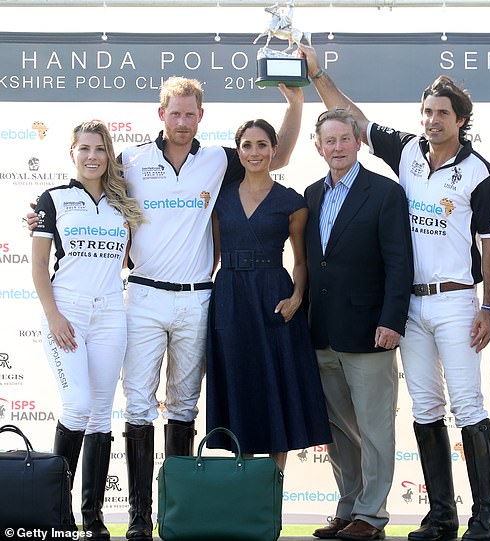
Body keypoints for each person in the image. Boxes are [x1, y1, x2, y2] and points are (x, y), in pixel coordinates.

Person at [27, 76, 303, 541]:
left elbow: (281, 153)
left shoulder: (217, 158)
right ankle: (139, 518)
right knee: (137, 406)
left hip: (197, 297)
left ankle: (175, 513)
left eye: (189, 113)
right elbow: (84, 183)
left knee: (182, 406)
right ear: (161, 115)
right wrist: (39, 214)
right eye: (173, 113)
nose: (181, 121)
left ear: (201, 116)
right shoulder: (131, 159)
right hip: (142, 298)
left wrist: (295, 103)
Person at [300, 45, 490, 541]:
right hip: (411, 304)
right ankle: (440, 517)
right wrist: (317, 73)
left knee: (469, 407)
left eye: (442, 114)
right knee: (427, 408)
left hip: (457, 300)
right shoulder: (408, 151)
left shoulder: (482, 173)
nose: (433, 121)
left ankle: (484, 516)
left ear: (461, 120)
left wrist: (489, 305)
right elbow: (355, 119)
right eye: (428, 112)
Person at [31, 120, 145, 540]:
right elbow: (39, 267)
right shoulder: (53, 200)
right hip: (67, 314)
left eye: (99, 148)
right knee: (77, 405)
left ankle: (93, 521)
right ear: (72, 153)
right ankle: (56, 516)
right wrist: (54, 315)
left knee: (100, 416)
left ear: (108, 154)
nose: (92, 156)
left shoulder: (123, 204)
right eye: (84, 148)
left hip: (112, 313)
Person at [306, 108, 413, 541]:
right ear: (318, 147)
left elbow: (399, 263)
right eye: (328, 141)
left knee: (373, 427)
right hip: (323, 332)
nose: (337, 147)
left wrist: (392, 320)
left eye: (344, 139)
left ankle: (371, 515)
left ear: (358, 142)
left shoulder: (386, 193)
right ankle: (348, 506)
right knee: (337, 432)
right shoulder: (311, 195)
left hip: (371, 331)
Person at [204, 118, 332, 469]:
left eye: (262, 145)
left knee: (279, 388)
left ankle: (273, 492)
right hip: (230, 298)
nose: (254, 152)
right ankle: (243, 490)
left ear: (274, 150)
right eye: (247, 145)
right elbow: (212, 254)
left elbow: (302, 261)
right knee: (239, 383)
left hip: (275, 301)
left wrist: (297, 299)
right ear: (238, 150)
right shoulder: (220, 198)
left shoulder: (292, 202)